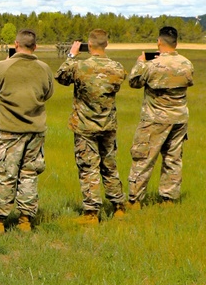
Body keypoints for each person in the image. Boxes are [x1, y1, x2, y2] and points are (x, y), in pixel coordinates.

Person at [0, 28, 54, 234]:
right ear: (35, 46)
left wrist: (4, 65)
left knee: (5, 174)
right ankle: (25, 220)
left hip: (10, 130)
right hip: (36, 130)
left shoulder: (3, 67)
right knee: (29, 174)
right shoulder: (44, 68)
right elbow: (48, 93)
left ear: (16, 44)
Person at [54, 30, 127, 225]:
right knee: (109, 165)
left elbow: (60, 77)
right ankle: (118, 206)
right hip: (108, 124)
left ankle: (91, 212)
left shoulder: (80, 66)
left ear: (89, 44)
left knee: (88, 168)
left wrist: (71, 55)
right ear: (107, 44)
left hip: (85, 125)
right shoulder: (117, 67)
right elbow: (118, 84)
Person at [126, 26, 194, 210]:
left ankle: (134, 200)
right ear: (176, 43)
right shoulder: (186, 63)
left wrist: (141, 62)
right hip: (179, 119)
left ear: (159, 42)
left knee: (143, 159)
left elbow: (134, 82)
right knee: (173, 159)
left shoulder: (152, 64)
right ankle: (169, 199)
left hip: (154, 119)